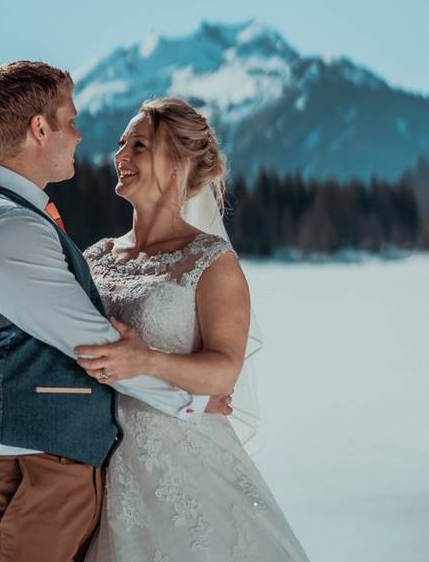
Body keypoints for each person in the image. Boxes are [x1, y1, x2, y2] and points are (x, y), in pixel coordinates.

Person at [0, 62, 231, 562]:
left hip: (57, 469)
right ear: (39, 129)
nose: (80, 136)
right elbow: (97, 347)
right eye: (71, 121)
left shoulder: (15, 218)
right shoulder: (9, 228)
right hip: (28, 472)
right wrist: (195, 402)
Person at [75, 98, 310, 561]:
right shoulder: (95, 258)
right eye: (121, 144)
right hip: (97, 472)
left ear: (178, 161)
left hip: (185, 471)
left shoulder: (210, 262)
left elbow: (224, 373)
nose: (119, 157)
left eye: (138, 145)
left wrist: (146, 361)